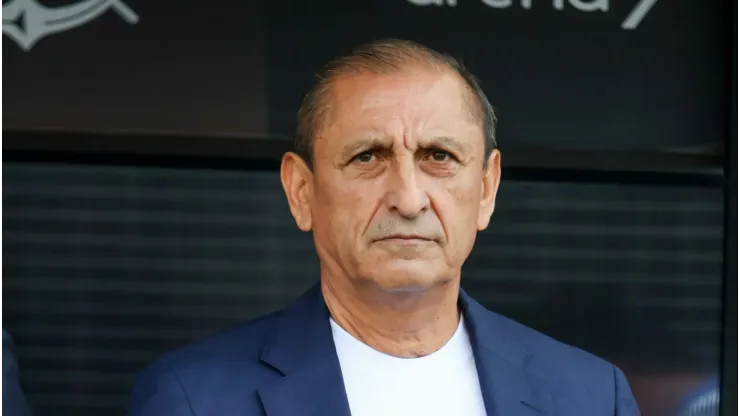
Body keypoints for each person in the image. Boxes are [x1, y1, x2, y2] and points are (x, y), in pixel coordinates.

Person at [127, 39, 640, 416]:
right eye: (368, 157)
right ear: (301, 191)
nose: (409, 198)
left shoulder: (592, 396)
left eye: (439, 156)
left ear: (486, 189)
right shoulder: (193, 399)